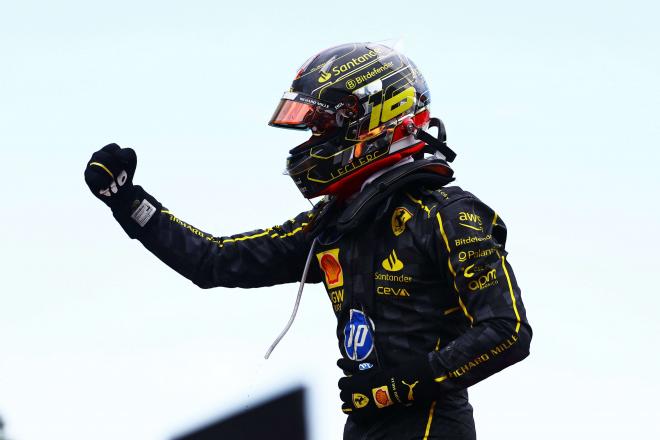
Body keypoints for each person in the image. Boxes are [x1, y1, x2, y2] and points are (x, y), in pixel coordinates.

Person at [84, 42, 532, 439]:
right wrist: (129, 204)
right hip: (363, 426)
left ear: (369, 116)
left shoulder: (449, 214)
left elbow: (507, 331)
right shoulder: (333, 223)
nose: (312, 139)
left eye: (319, 125)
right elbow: (215, 262)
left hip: (434, 426)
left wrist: (405, 385)